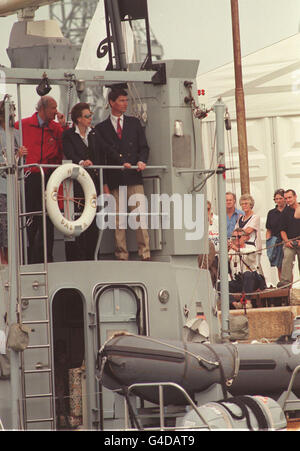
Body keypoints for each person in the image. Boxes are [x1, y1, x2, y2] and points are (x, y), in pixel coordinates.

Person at [95, 88, 150, 261]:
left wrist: (142, 161)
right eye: (121, 100)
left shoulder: (134, 123)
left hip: (134, 177)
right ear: (111, 102)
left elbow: (144, 147)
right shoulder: (101, 128)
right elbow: (101, 157)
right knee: (118, 220)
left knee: (140, 217)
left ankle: (145, 253)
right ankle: (121, 254)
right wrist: (104, 184)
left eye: (126, 100)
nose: (125, 103)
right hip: (114, 180)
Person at [15, 96, 67, 263]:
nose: (56, 112)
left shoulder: (56, 128)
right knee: (31, 219)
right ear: (43, 109)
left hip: (49, 178)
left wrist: (63, 126)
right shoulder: (21, 125)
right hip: (30, 178)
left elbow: (64, 148)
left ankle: (48, 258)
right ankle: (28, 259)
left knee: (48, 219)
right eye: (53, 108)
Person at [62, 102, 107, 260]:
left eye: (90, 115)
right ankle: (78, 257)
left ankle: (93, 255)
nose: (90, 118)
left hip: (93, 182)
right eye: (87, 116)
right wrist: (81, 162)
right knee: (79, 218)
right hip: (77, 184)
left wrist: (122, 162)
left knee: (94, 220)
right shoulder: (68, 135)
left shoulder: (94, 134)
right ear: (79, 119)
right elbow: (69, 152)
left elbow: (104, 152)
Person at [0, 96, 27, 264]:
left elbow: (20, 163)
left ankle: (11, 261)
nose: (13, 116)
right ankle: (2, 262)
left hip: (14, 188)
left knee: (12, 228)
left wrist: (20, 155)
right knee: (2, 226)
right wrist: (17, 155)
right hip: (1, 187)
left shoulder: (17, 134)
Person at [228, 228, 264, 309]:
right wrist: (225, 250)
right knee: (221, 285)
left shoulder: (251, 248)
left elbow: (249, 254)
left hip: (253, 280)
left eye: (239, 237)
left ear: (245, 237)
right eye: (234, 237)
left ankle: (248, 302)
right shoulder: (231, 251)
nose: (236, 239)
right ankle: (235, 304)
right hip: (239, 281)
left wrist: (236, 249)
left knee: (247, 274)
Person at [277, 189, 300, 288]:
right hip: (289, 242)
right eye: (286, 198)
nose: (288, 200)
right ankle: (285, 284)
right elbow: (282, 230)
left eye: (290, 197)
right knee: (287, 258)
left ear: (295, 197)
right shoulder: (285, 212)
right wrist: (286, 241)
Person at [265, 189, 286, 279]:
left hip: (287, 241)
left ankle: (289, 287)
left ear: (284, 199)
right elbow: (268, 230)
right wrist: (268, 242)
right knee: (279, 265)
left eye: (280, 198)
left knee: (287, 265)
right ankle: (282, 286)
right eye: (276, 199)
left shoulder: (290, 210)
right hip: (275, 241)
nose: (278, 201)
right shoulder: (271, 213)